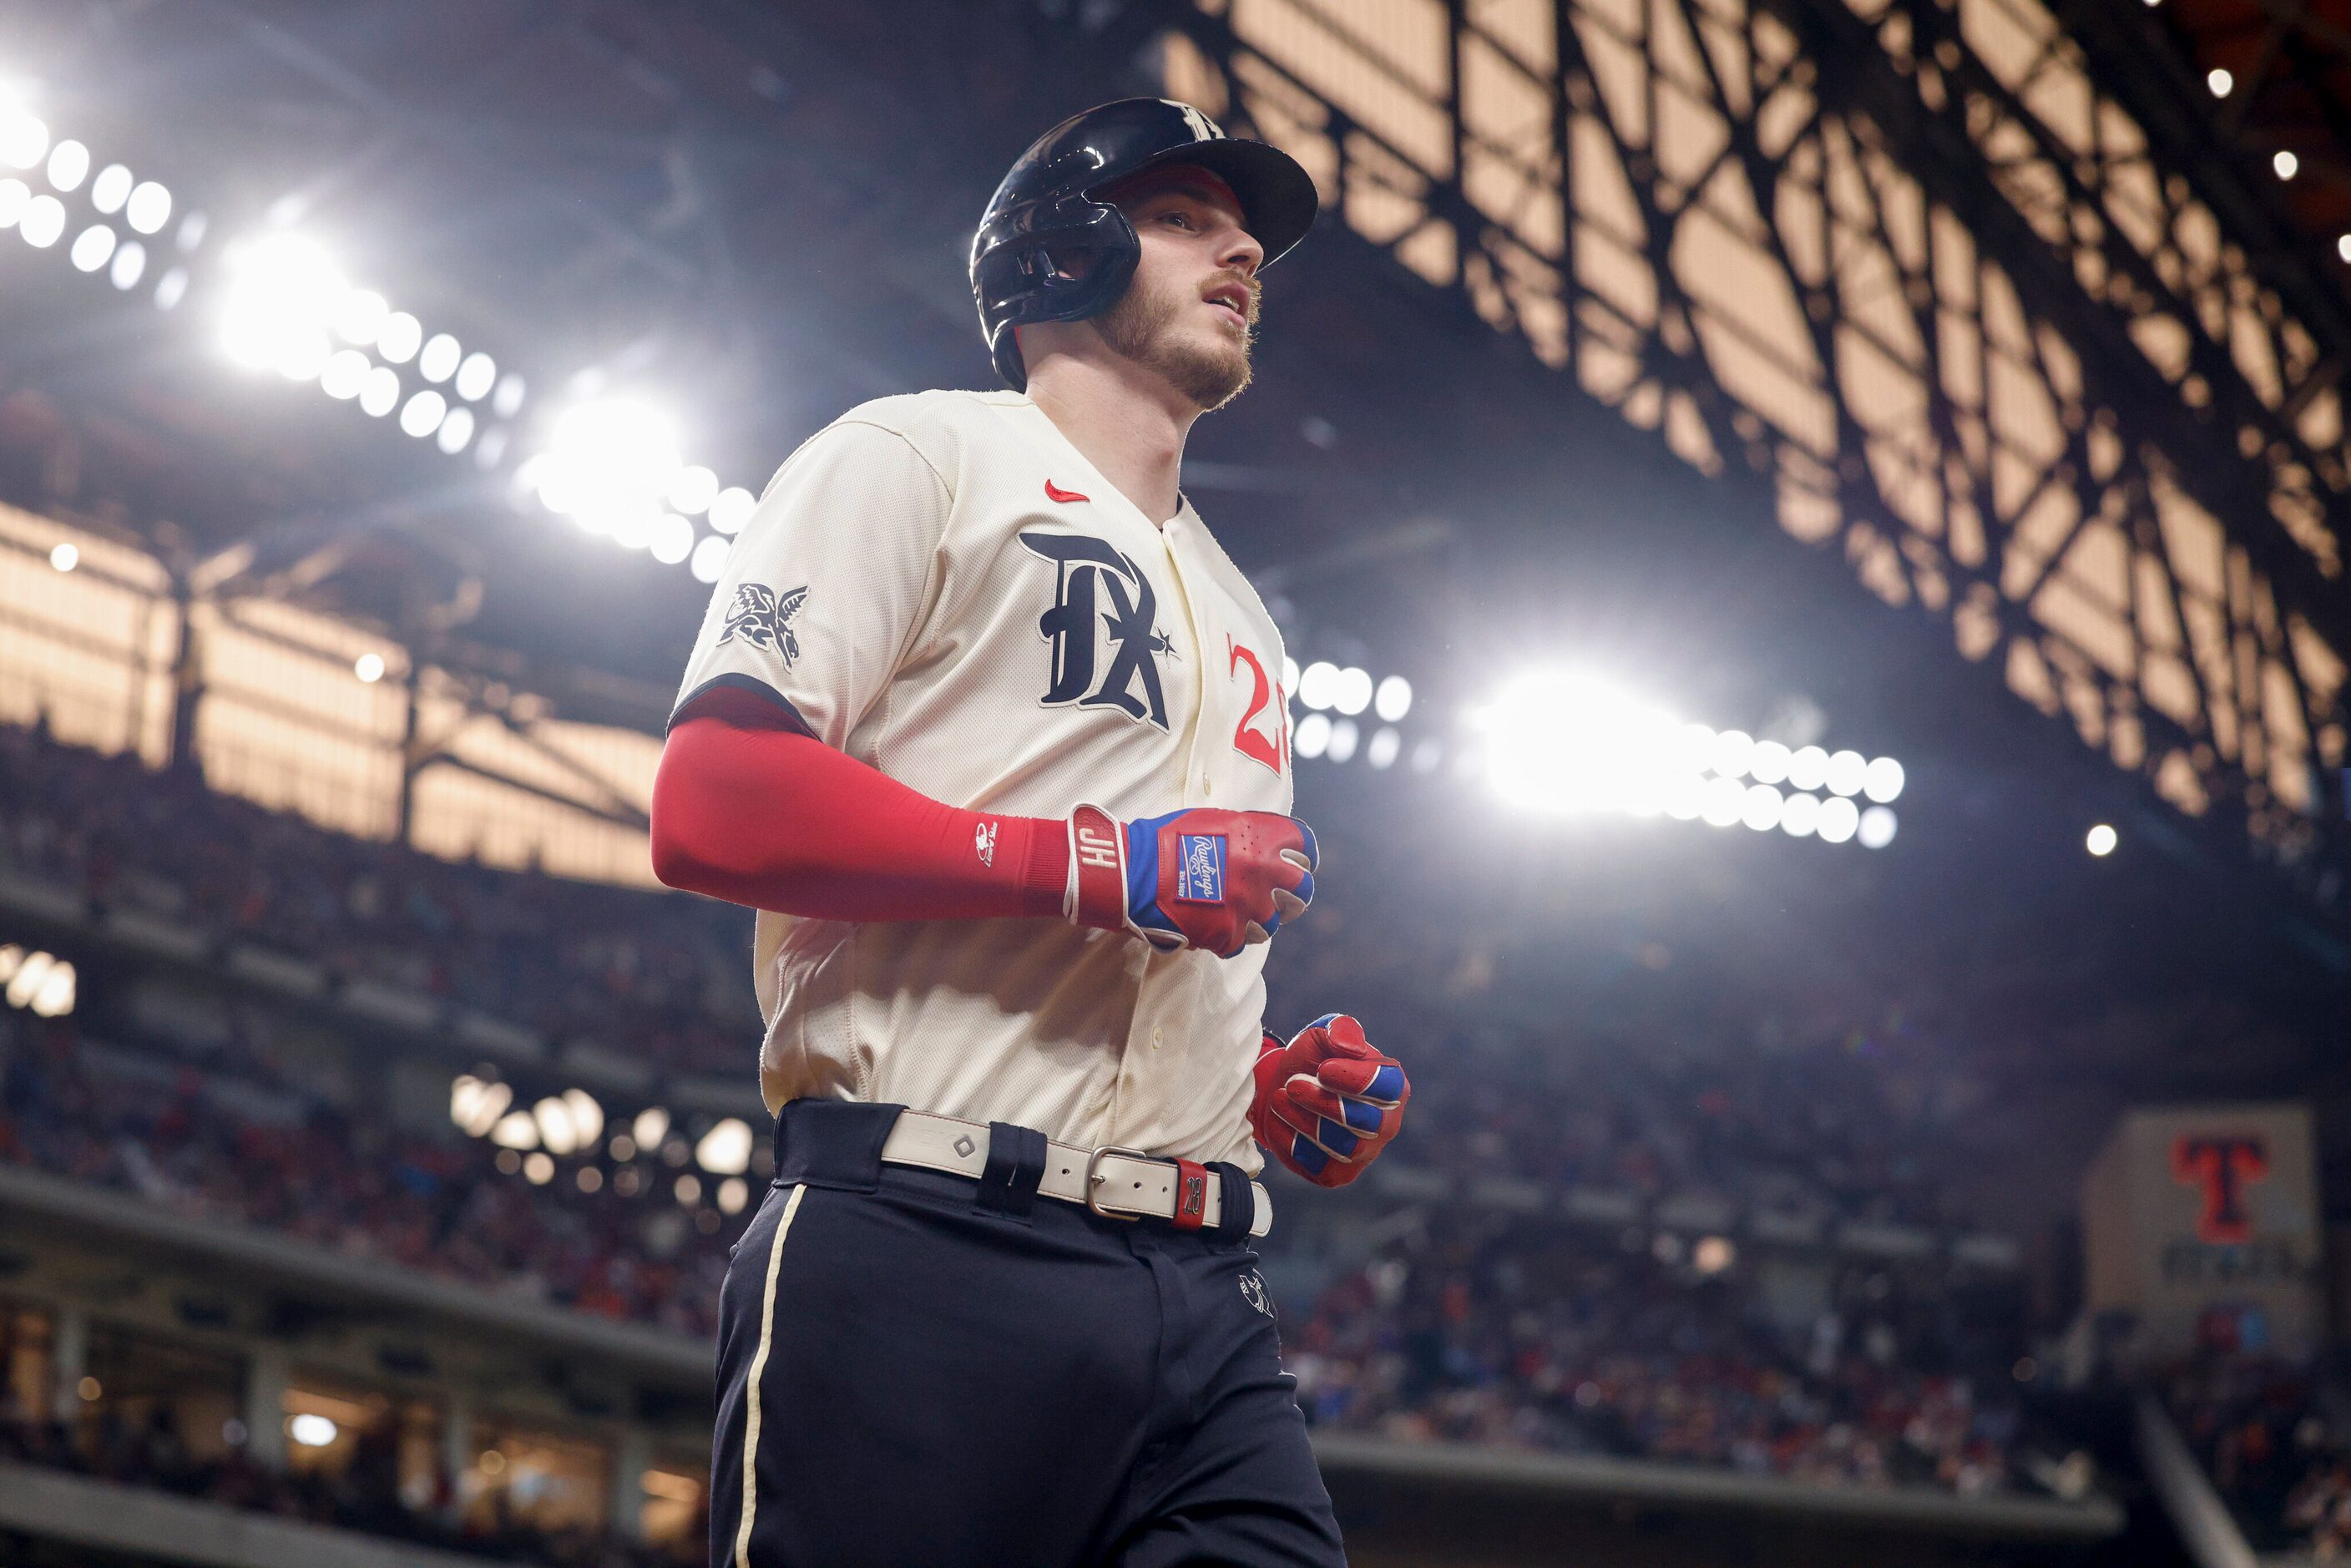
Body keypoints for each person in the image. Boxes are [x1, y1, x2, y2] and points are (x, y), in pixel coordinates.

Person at [651, 98, 1412, 1568]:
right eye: (1185, 214)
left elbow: (1156, 926)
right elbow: (713, 801)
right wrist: (1101, 867)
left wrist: (1247, 1085)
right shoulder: (914, 454)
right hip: (925, 1241)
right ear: (1059, 247)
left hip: (1202, 1286)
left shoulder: (1248, 613)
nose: (1244, 244)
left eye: (1243, 228)